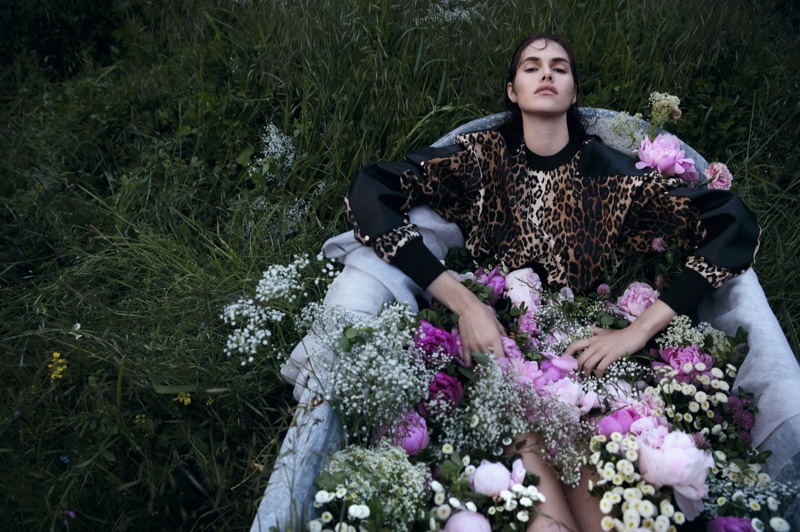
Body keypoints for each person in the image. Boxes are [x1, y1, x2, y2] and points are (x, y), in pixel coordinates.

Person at [343, 33, 760, 530]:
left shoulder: (614, 175)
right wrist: (465, 304)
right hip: (501, 350)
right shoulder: (479, 159)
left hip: (585, 358)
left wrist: (639, 331)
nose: (546, 74)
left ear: (573, 92)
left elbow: (731, 223)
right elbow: (371, 191)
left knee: (603, 509)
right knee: (543, 510)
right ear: (513, 91)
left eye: (559, 68)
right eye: (532, 66)